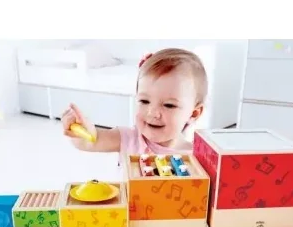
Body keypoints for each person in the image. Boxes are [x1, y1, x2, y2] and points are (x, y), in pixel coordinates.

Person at [62, 48, 208, 157]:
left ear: (193, 113)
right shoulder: (129, 139)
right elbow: (91, 142)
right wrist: (81, 132)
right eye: (144, 101)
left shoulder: (197, 157)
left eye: (169, 105)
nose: (152, 113)